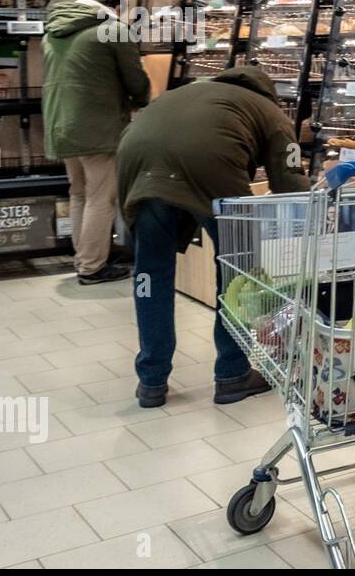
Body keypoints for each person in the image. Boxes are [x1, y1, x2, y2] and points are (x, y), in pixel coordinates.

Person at [117, 65, 311, 408]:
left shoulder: (186, 92)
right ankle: (232, 375)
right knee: (236, 273)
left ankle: (151, 380)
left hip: (136, 160)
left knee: (150, 276)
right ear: (269, 93)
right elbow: (291, 184)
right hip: (208, 166)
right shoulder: (269, 110)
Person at [42, 0, 151, 284]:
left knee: (78, 193)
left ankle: (85, 256)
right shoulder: (113, 30)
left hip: (60, 125)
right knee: (100, 198)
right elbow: (136, 79)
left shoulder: (55, 30)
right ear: (118, 8)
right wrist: (143, 102)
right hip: (96, 127)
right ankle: (92, 266)